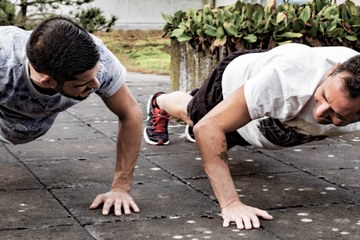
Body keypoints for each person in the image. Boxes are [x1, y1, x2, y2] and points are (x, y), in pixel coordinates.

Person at [143, 43, 360, 229]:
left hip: (270, 125)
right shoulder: (284, 80)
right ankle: (160, 102)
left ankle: (226, 116)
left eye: (336, 115)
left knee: (224, 133)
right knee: (196, 118)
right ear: (334, 69)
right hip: (230, 85)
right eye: (323, 97)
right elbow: (208, 129)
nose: (319, 113)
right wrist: (231, 205)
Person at [0, 16, 142, 216]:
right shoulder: (4, 64)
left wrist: (120, 188)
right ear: (47, 81)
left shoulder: (100, 58)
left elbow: (130, 112)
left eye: (96, 73)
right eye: (83, 84)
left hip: (35, 119)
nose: (96, 84)